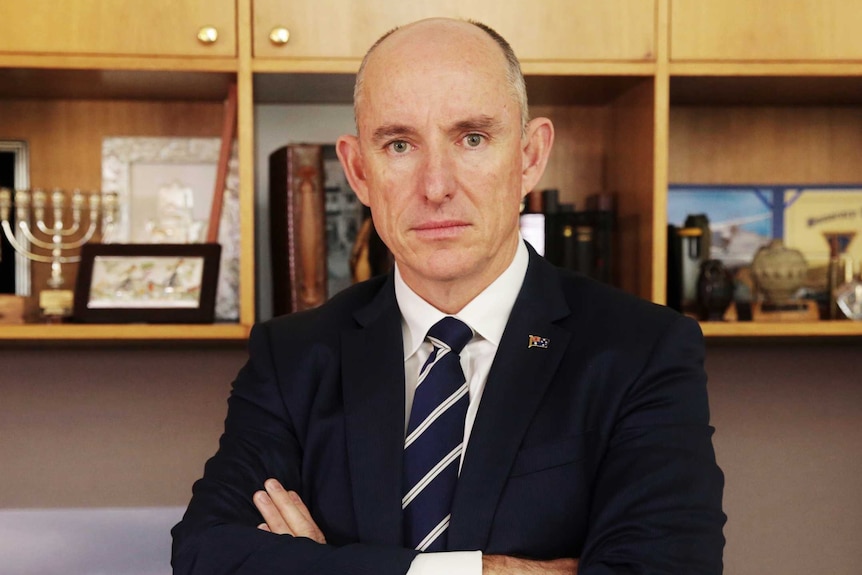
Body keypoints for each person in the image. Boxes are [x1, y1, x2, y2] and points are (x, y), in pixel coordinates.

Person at [172, 18, 725, 575]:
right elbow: (206, 555)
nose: (436, 186)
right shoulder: (291, 356)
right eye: (399, 144)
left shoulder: (643, 350)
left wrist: (328, 566)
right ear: (359, 171)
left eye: (473, 138)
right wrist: (488, 571)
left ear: (530, 157)